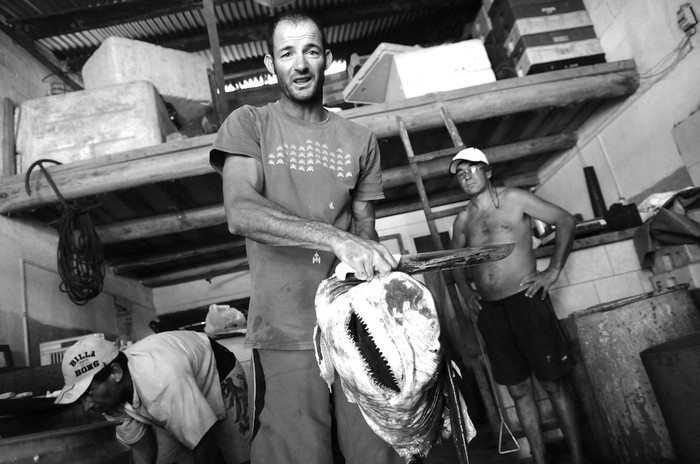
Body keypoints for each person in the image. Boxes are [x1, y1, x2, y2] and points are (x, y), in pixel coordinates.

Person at [209, 10, 401, 464]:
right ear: (270, 63)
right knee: (298, 456)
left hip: (356, 329)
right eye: (287, 53)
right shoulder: (250, 123)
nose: (299, 64)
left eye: (311, 51)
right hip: (285, 330)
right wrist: (335, 239)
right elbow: (240, 211)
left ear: (326, 59)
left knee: (378, 452)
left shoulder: (359, 138)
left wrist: (377, 272)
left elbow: (364, 230)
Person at [449, 147, 586, 464]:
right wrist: (466, 294)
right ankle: (540, 460)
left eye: (472, 168)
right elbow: (454, 259)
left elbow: (565, 220)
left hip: (527, 302)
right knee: (519, 390)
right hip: (491, 313)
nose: (466, 176)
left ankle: (578, 458)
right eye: (460, 173)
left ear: (488, 172)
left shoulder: (516, 199)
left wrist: (552, 271)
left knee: (553, 382)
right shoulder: (463, 219)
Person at [54, 332, 250, 464]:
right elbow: (141, 446)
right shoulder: (110, 397)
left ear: (115, 373)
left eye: (88, 393)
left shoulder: (161, 382)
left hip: (218, 372)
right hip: (174, 391)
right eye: (81, 397)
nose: (87, 406)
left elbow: (204, 446)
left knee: (239, 458)